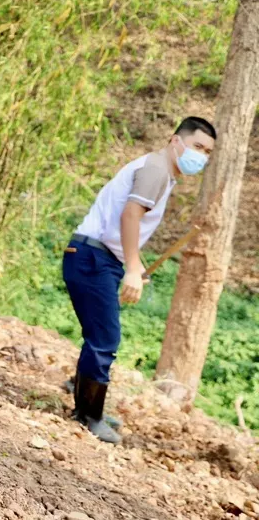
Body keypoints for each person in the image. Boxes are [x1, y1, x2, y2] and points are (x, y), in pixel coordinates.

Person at [62, 117, 216, 444]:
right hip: (93, 257)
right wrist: (132, 267)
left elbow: (122, 223)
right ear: (177, 140)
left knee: (100, 332)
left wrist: (133, 263)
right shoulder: (157, 169)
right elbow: (130, 214)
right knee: (106, 337)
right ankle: (88, 414)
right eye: (198, 146)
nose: (201, 156)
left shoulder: (158, 170)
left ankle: (82, 391)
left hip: (97, 255)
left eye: (207, 152)